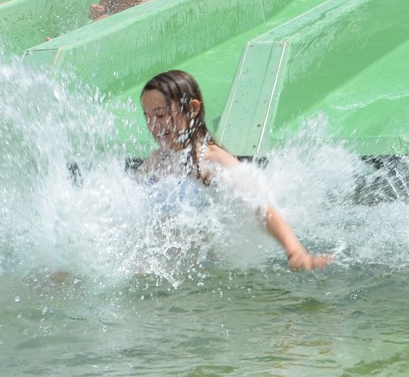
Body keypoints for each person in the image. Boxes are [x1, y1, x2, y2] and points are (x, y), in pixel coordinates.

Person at [139, 70, 333, 272]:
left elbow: (261, 205)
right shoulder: (157, 160)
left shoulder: (213, 160)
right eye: (148, 117)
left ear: (192, 109)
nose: (153, 126)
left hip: (205, 271)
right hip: (166, 268)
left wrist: (294, 251)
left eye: (161, 114)